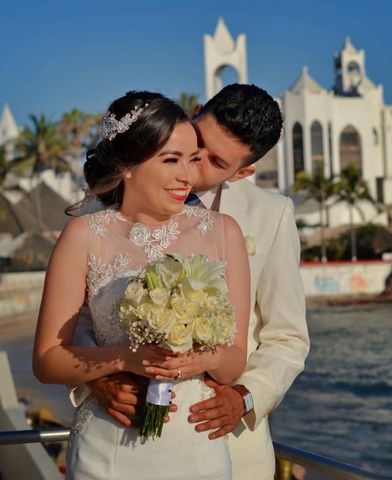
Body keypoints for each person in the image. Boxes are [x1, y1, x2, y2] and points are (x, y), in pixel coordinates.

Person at [70, 84, 310, 480]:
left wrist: (245, 397)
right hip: (117, 433)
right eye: (197, 143)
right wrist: (98, 377)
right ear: (195, 113)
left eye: (216, 162)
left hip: (227, 445)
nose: (192, 168)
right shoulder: (108, 198)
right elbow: (78, 315)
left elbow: (288, 335)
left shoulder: (271, 215)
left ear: (243, 172)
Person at [34, 91, 251, 479]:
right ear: (128, 165)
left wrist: (205, 360)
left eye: (192, 158)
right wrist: (125, 359)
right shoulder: (83, 235)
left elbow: (235, 360)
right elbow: (47, 359)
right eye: (171, 160)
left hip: (196, 445)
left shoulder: (223, 233)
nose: (187, 175)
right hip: (108, 450)